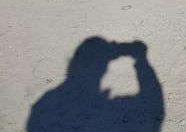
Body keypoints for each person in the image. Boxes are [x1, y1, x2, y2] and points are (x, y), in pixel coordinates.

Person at [27, 37, 164, 132]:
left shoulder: (46, 103)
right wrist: (141, 60)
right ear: (104, 68)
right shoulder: (112, 111)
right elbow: (154, 102)